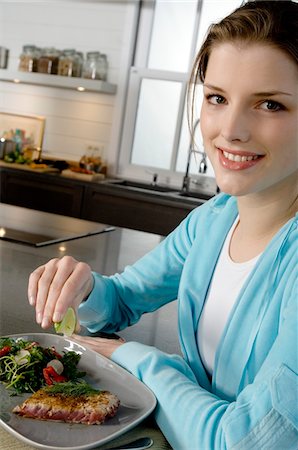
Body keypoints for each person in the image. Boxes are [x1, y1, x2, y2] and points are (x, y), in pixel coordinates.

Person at [28, 1, 297, 448]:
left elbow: (245, 441)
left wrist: (134, 358)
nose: (231, 129)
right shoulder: (213, 221)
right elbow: (120, 300)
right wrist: (83, 288)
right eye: (217, 98)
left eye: (270, 104)